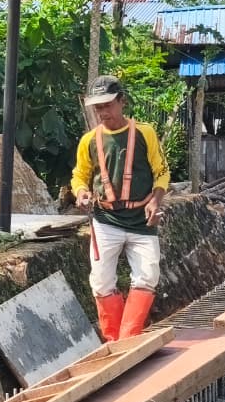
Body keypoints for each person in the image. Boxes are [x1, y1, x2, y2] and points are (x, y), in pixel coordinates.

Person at [71, 75, 171, 342]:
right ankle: (114, 341)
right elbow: (79, 175)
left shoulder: (144, 133)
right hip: (105, 220)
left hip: (141, 220)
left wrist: (155, 200)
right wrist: (81, 193)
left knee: (148, 276)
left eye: (107, 105)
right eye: (98, 107)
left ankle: (128, 339)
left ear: (121, 101)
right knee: (101, 283)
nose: (103, 112)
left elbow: (161, 172)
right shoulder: (89, 141)